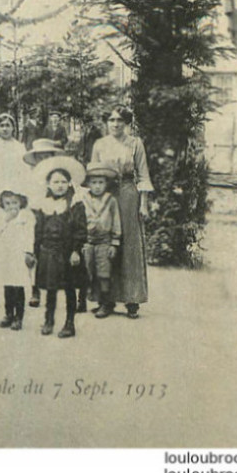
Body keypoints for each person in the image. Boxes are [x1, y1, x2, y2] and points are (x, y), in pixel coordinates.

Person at [90, 105, 153, 318]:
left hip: (127, 194)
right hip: (105, 195)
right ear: (106, 123)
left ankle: (132, 299)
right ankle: (105, 301)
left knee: (129, 244)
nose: (115, 124)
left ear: (127, 123)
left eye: (120, 120)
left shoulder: (135, 144)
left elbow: (143, 175)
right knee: (105, 243)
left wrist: (143, 204)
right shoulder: (100, 144)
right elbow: (93, 174)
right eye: (111, 120)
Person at [22, 138, 85, 307]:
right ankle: (34, 289)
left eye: (46, 156)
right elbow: (27, 201)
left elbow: (72, 198)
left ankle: (67, 288)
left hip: (57, 218)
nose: (43, 160)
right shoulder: (30, 178)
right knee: (33, 249)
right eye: (39, 157)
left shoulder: (59, 177)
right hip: (36, 216)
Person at [34, 163, 87, 339]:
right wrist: (35, 252)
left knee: (70, 288)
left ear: (70, 184)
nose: (60, 185)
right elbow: (38, 230)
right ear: (48, 184)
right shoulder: (43, 204)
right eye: (55, 182)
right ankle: (49, 320)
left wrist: (76, 251)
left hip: (67, 253)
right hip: (48, 252)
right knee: (50, 289)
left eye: (64, 182)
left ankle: (69, 323)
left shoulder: (75, 205)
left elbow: (81, 230)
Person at [0, 184, 34, 331]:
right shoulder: (0, 216)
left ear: (21, 202)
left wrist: (29, 252)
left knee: (18, 287)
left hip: (18, 255)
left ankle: (19, 317)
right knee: (7, 285)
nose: (11, 206)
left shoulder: (26, 216)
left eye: (15, 203)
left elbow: (29, 235)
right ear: (2, 204)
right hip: (4, 255)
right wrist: (6, 219)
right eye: (7, 203)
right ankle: (8, 314)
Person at [79, 163, 121, 319]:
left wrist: (114, 242)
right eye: (94, 183)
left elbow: (116, 221)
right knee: (88, 269)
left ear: (106, 183)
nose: (97, 186)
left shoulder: (111, 200)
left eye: (101, 182)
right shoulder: (84, 199)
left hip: (105, 240)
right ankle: (89, 300)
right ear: (88, 184)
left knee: (104, 271)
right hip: (89, 240)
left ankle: (106, 303)